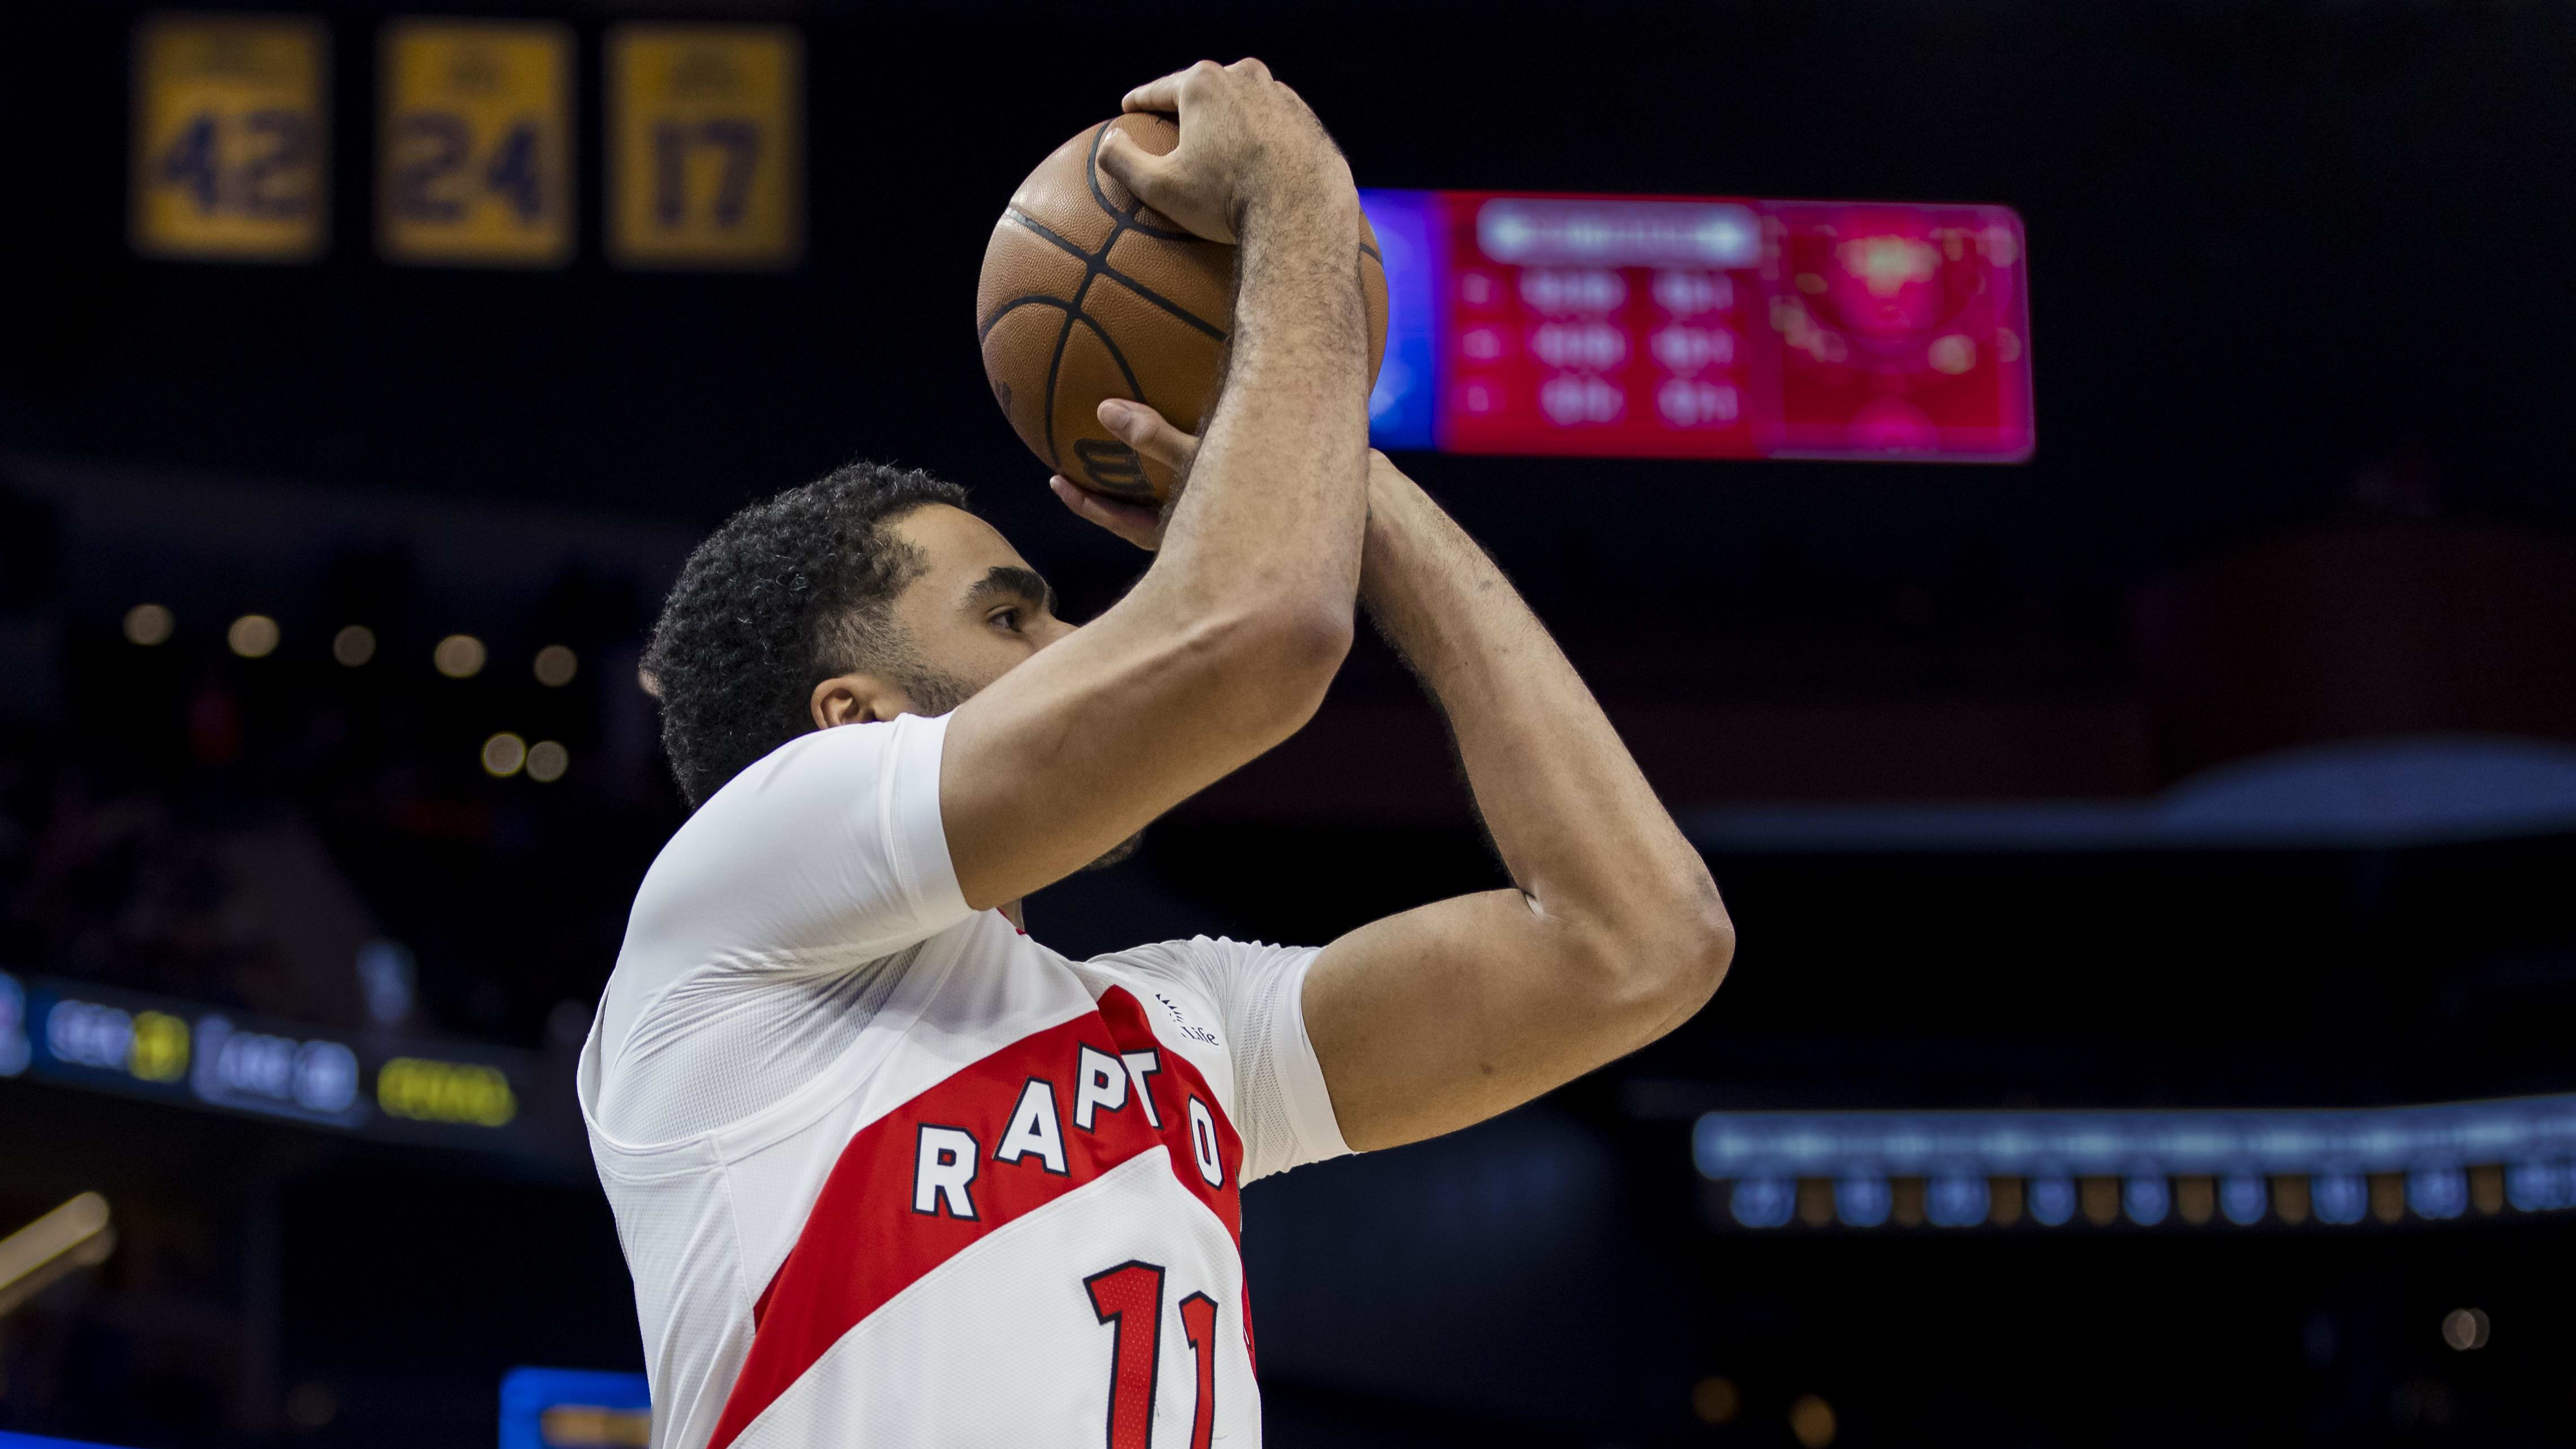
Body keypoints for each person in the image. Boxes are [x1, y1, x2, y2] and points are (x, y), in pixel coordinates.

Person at [577, 58, 1733, 1449]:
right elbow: (1260, 637)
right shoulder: (737, 890)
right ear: (854, 719)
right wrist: (1298, 210)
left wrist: (1351, 490)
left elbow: (1640, 944)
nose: (1079, 636)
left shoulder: (1183, 1028)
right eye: (1013, 613)